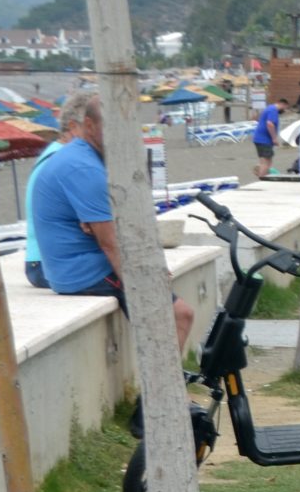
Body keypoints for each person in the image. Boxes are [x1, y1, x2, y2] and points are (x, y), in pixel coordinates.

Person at [32, 91, 195, 344]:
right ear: (88, 125)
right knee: (180, 315)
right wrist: (146, 281)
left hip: (81, 263)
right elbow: (111, 243)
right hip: (83, 271)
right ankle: (163, 384)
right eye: (112, 129)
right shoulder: (83, 167)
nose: (122, 137)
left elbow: (128, 215)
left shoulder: (89, 157)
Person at [251, 97, 283, 181]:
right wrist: (274, 138)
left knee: (263, 161)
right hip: (264, 140)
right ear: (282, 104)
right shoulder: (273, 110)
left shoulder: (269, 108)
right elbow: (270, 124)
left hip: (258, 139)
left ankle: (261, 174)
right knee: (267, 162)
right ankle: (262, 180)